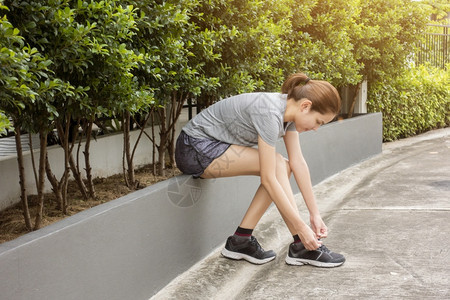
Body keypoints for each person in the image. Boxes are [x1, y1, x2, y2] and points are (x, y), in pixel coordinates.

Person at [175, 73, 345, 267]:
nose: (316, 128)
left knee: (283, 164)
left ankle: (242, 240)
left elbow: (298, 162)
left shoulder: (288, 113)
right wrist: (301, 227)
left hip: (211, 146)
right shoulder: (269, 114)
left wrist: (315, 215)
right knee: (278, 165)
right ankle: (300, 245)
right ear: (305, 106)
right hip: (194, 148)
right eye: (318, 122)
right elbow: (268, 178)